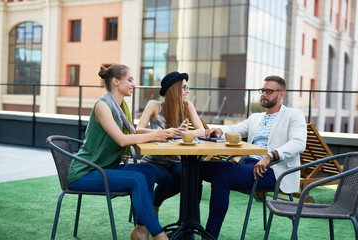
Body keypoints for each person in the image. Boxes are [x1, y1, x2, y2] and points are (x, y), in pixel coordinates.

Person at [68, 64, 179, 240]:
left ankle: (141, 230)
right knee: (137, 179)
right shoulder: (103, 106)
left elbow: (134, 132)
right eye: (130, 79)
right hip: (85, 172)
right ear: (115, 81)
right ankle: (159, 236)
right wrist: (156, 134)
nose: (133, 84)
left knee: (148, 170)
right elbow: (122, 139)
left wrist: (163, 133)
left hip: (104, 167)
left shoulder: (121, 107)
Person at [200, 75, 307, 239]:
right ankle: (189, 224)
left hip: (273, 171)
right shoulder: (256, 117)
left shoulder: (293, 115)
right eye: (263, 90)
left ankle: (209, 236)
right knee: (196, 168)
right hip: (249, 164)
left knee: (222, 177)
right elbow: (236, 129)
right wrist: (220, 131)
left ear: (281, 94)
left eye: (269, 91)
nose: (264, 94)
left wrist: (270, 156)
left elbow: (299, 143)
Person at [136, 71, 205, 216]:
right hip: (154, 160)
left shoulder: (187, 106)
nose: (187, 91)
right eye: (184, 87)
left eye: (188, 87)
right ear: (174, 89)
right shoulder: (154, 105)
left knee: (187, 178)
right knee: (167, 181)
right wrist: (162, 133)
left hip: (175, 160)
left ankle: (187, 222)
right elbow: (139, 130)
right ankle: (153, 208)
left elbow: (202, 131)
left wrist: (185, 133)